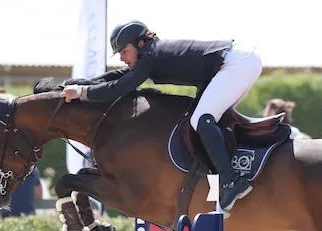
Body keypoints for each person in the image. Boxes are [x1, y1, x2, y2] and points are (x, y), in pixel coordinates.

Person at [60, 20, 261, 215]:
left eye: (124, 51)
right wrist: (81, 83)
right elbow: (119, 76)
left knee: (201, 119)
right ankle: (224, 180)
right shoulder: (150, 54)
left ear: (140, 43)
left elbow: (120, 88)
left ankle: (232, 182)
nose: (122, 57)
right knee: (201, 119)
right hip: (236, 62)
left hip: (236, 63)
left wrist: (81, 91)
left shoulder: (150, 56)